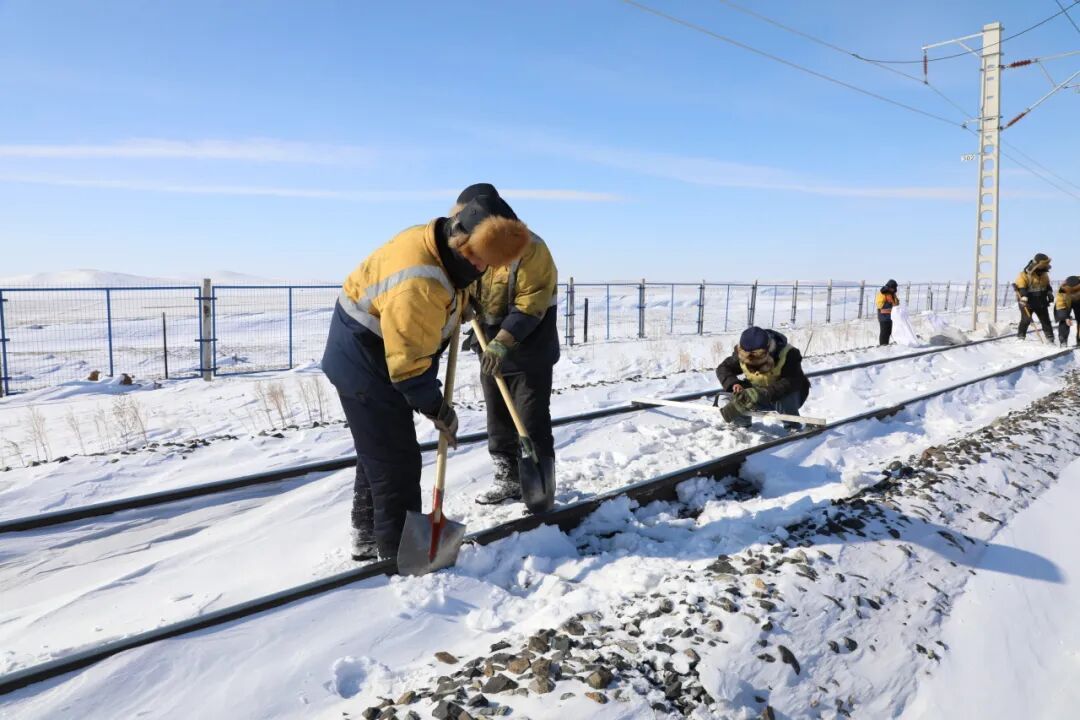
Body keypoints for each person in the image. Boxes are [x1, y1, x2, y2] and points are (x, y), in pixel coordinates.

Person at [321, 192, 531, 561]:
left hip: (378, 351)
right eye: (478, 259)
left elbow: (449, 288)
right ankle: (399, 556)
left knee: (379, 450)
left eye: (488, 263)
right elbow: (409, 367)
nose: (481, 268)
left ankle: (367, 536)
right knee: (397, 462)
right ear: (461, 240)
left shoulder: (441, 246)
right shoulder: (420, 282)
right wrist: (437, 409)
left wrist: (463, 304)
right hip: (365, 362)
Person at [454, 184, 560, 505]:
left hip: (529, 348)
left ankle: (539, 490)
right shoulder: (473, 243)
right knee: (498, 419)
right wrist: (463, 304)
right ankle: (507, 478)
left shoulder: (531, 248)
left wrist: (503, 341)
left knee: (531, 420)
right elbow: (468, 282)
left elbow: (531, 300)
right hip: (489, 346)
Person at [715, 326, 811, 429]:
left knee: (785, 397)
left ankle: (793, 427)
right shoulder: (741, 353)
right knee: (738, 397)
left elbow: (791, 382)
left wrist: (761, 393)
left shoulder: (789, 354)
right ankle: (741, 425)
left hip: (785, 394)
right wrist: (734, 384)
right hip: (757, 393)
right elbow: (723, 368)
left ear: (768, 349)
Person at [1014, 253, 1054, 341]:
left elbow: (1047, 286)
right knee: (1026, 320)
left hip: (1041, 301)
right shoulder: (1024, 275)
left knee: (1045, 320)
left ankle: (1050, 338)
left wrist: (1049, 293)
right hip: (1027, 302)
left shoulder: (1044, 274)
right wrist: (1024, 297)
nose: (1046, 267)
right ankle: (1021, 337)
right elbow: (1021, 288)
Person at [1054, 275, 1080, 347]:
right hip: (1067, 303)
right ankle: (1063, 341)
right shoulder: (1062, 289)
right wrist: (1066, 317)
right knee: (1063, 320)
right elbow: (1060, 304)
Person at [875, 279, 900, 346]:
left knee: (889, 332)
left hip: (891, 316)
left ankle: (887, 345)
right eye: (893, 288)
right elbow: (879, 305)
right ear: (890, 287)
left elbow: (896, 302)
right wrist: (889, 305)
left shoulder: (892, 294)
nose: (894, 289)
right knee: (884, 333)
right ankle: (883, 346)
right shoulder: (882, 293)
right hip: (883, 317)